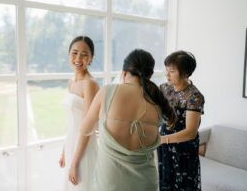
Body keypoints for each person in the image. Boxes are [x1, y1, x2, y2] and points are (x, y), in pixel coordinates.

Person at [68, 49, 177, 191]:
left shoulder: (107, 91)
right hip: (147, 183)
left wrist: (104, 125)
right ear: (149, 76)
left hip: (111, 183)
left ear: (124, 73)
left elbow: (85, 129)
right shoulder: (157, 102)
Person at [157, 50, 205, 191]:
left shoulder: (194, 96)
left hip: (184, 150)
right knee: (165, 184)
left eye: (172, 71)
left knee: (184, 186)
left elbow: (190, 132)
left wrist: (162, 139)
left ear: (185, 74)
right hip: (165, 147)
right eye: (166, 70)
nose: (167, 75)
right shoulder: (164, 89)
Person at [59, 36, 99, 191]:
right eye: (74, 53)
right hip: (71, 143)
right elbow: (72, 122)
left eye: (84, 54)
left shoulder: (90, 84)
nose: (78, 58)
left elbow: (87, 127)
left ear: (91, 58)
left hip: (84, 148)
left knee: (82, 186)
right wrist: (64, 150)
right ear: (69, 55)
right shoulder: (71, 82)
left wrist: (75, 162)